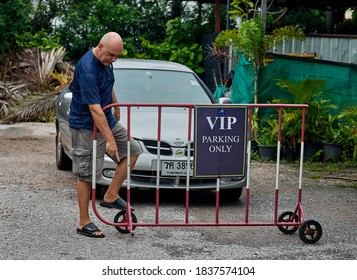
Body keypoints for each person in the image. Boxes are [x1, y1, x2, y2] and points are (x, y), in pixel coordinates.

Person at [69, 32, 141, 238]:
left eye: (117, 56)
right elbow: (94, 110)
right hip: (86, 126)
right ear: (100, 46)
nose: (113, 60)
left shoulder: (106, 60)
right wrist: (109, 139)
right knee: (86, 173)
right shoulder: (88, 69)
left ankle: (111, 195)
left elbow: (108, 83)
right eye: (111, 55)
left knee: (133, 150)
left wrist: (115, 105)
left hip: (106, 119)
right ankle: (83, 222)